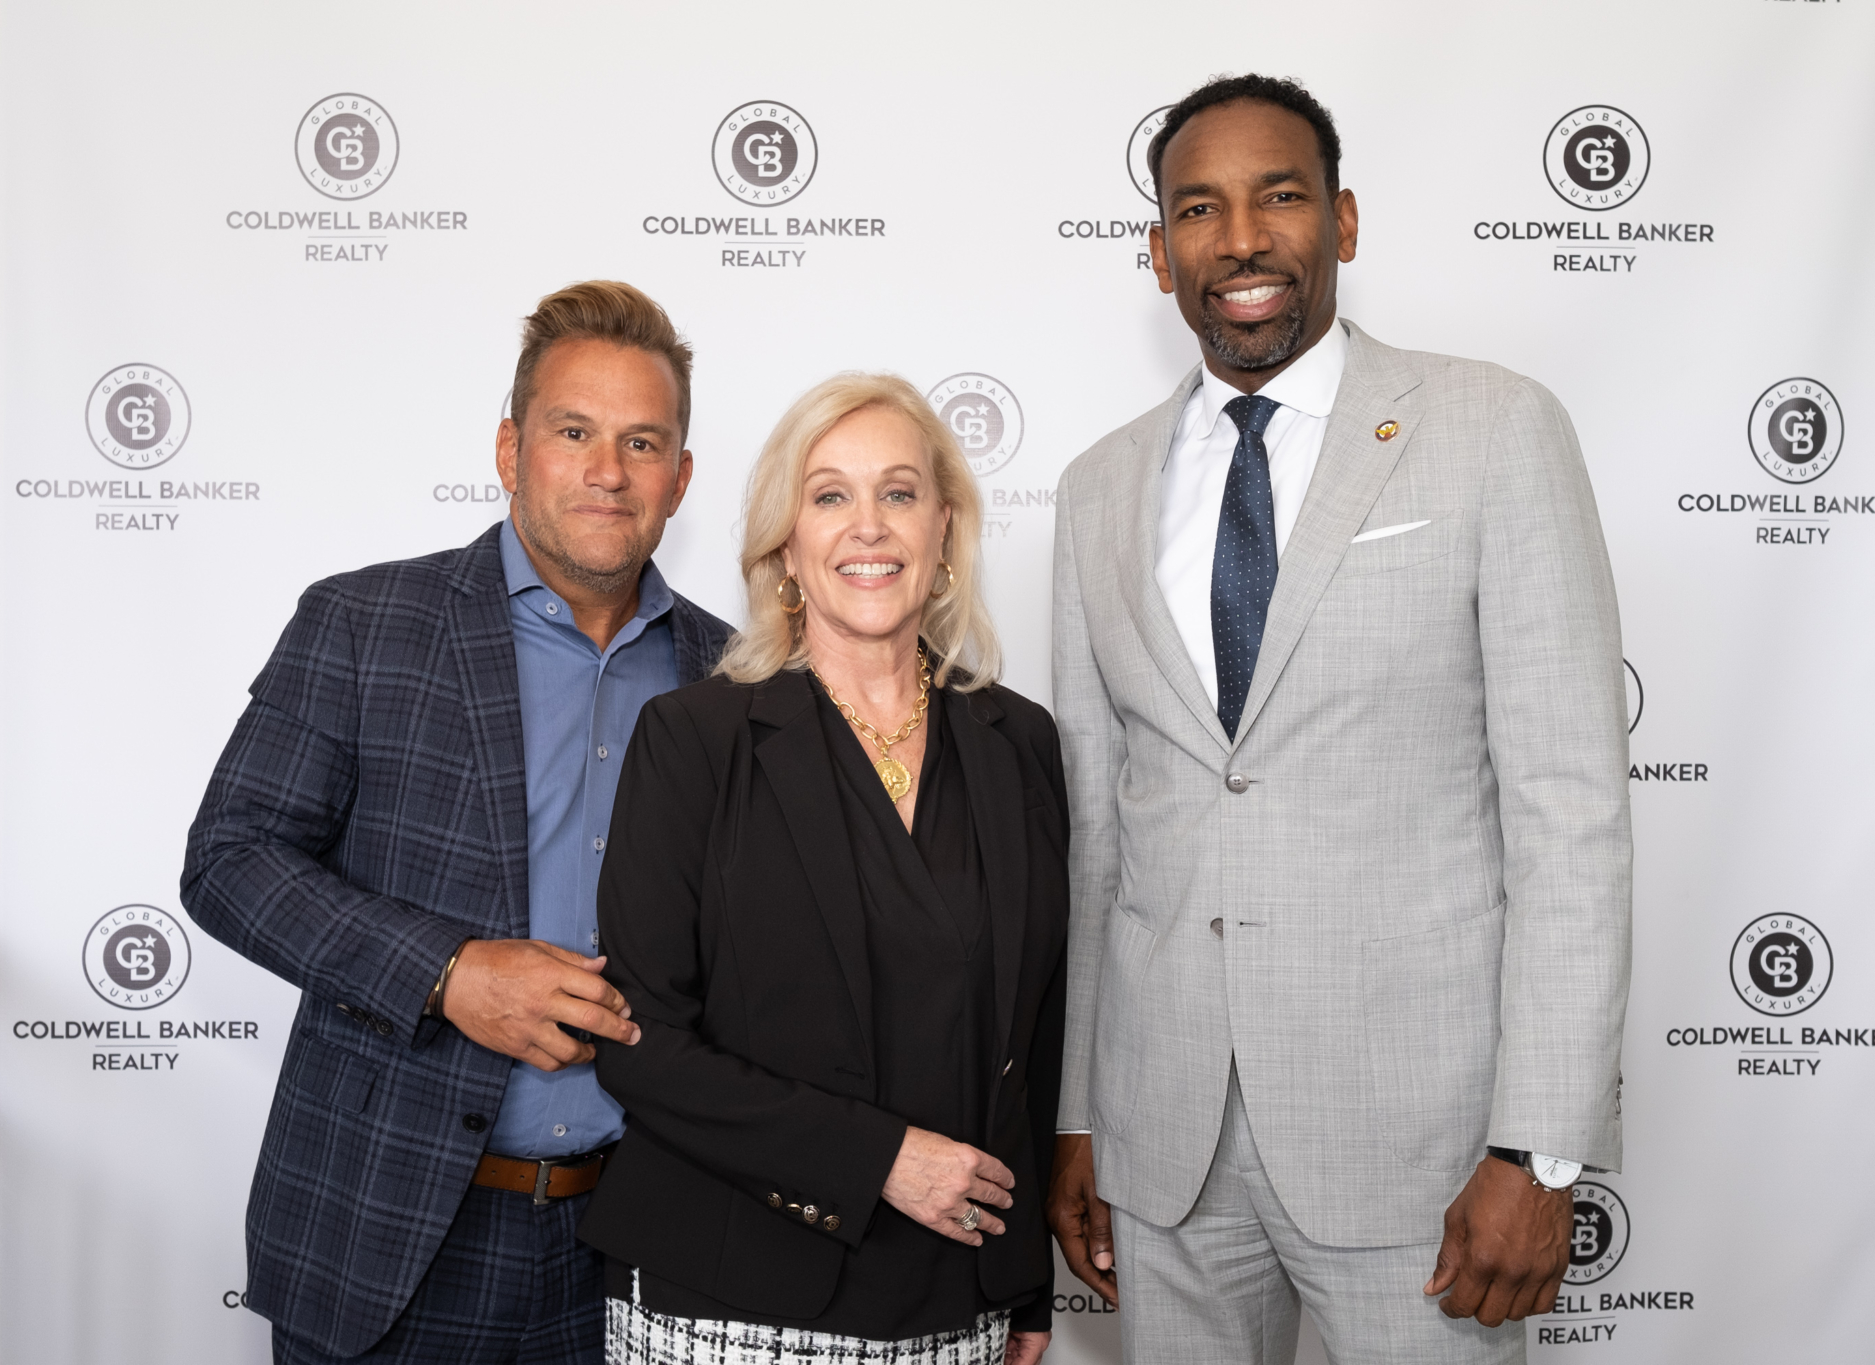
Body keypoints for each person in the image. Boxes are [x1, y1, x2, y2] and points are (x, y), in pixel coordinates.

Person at [1045, 74, 1632, 1365]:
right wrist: (1080, 1111)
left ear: (1343, 221)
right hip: (1164, 1144)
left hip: (1424, 1151)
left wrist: (1537, 1148)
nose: (1240, 239)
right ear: (1158, 252)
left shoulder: (1495, 429)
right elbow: (1097, 837)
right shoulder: (1095, 489)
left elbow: (1569, 817)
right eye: (1198, 209)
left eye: (1279, 197)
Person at [180, 280, 732, 1364]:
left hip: (637, 1242)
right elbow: (230, 860)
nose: (607, 470)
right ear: (509, 449)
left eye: (641, 442)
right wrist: (448, 972)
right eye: (573, 432)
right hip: (392, 1231)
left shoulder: (731, 675)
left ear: (679, 477)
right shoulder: (363, 623)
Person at [571, 373, 1066, 1365]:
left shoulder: (1018, 741)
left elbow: (1035, 1030)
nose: (867, 526)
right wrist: (879, 1161)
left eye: (898, 492)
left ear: (943, 529)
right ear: (786, 546)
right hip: (730, 1299)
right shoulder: (693, 739)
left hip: (957, 1295)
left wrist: (1022, 1281)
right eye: (829, 495)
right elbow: (638, 1039)